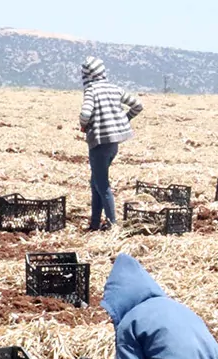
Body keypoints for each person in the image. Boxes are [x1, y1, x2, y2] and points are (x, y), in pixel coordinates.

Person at [79, 56, 144, 231]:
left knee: (102, 184)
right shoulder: (114, 89)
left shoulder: (92, 90)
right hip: (113, 144)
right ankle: (94, 223)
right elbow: (138, 105)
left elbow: (85, 114)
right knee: (96, 182)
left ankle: (111, 224)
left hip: (99, 143)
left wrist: (83, 125)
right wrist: (124, 120)